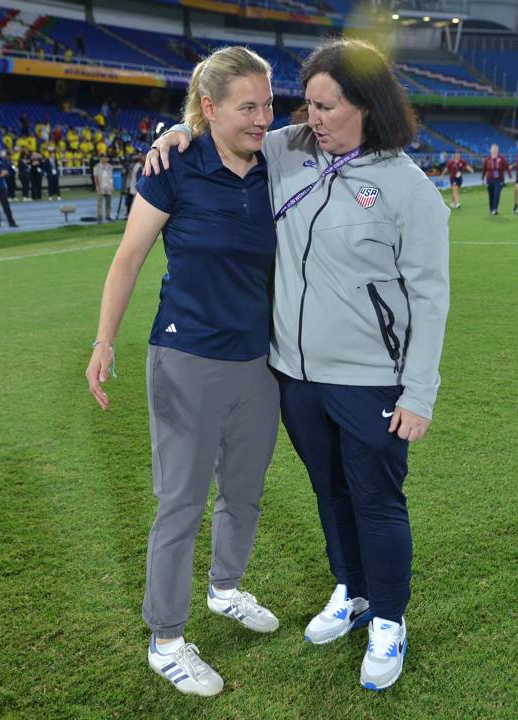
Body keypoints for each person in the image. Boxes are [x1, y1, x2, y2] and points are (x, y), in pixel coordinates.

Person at [149, 38, 450, 692]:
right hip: (295, 376)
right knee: (329, 491)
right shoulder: (286, 151)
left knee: (377, 499)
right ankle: (352, 590)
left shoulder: (409, 189)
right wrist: (178, 128)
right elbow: (225, 126)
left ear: (365, 107)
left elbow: (430, 294)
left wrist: (419, 390)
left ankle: (389, 621)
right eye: (305, 104)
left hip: (371, 378)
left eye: (324, 106)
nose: (306, 118)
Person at [85, 47, 280, 698]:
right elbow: (129, 257)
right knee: (181, 505)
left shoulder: (273, 163)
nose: (262, 118)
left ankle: (225, 589)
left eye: (268, 104)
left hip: (259, 362)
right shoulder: (176, 166)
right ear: (209, 107)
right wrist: (104, 341)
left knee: (245, 493)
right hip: (186, 359)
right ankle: (166, 640)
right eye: (247, 106)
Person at [480, 143, 511, 216]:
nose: (494, 151)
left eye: (496, 149)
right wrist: (482, 179)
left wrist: (510, 177)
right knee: (491, 195)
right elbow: (484, 169)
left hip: (499, 180)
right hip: (489, 179)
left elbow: (507, 167)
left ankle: (495, 209)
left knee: (496, 194)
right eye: (493, 149)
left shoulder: (501, 158)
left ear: (498, 150)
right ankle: (491, 209)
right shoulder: (487, 159)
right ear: (490, 150)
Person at [93, 155, 114, 222]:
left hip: (108, 186)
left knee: (108, 203)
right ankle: (99, 216)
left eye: (106, 157)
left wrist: (112, 186)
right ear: (100, 158)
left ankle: (108, 216)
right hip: (101, 186)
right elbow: (95, 177)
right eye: (103, 158)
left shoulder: (110, 167)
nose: (105, 159)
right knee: (100, 203)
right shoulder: (96, 167)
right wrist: (97, 186)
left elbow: (111, 177)